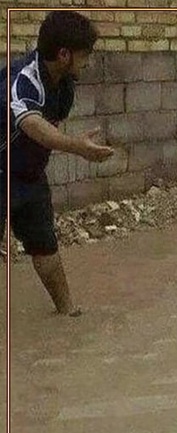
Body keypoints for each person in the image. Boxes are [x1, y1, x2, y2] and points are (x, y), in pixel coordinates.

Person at [0, 11, 114, 316]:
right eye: (85, 55)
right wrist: (77, 147)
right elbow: (32, 124)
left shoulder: (64, 84)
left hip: (28, 174)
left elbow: (49, 127)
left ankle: (68, 312)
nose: (88, 62)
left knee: (45, 244)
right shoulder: (22, 80)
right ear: (64, 54)